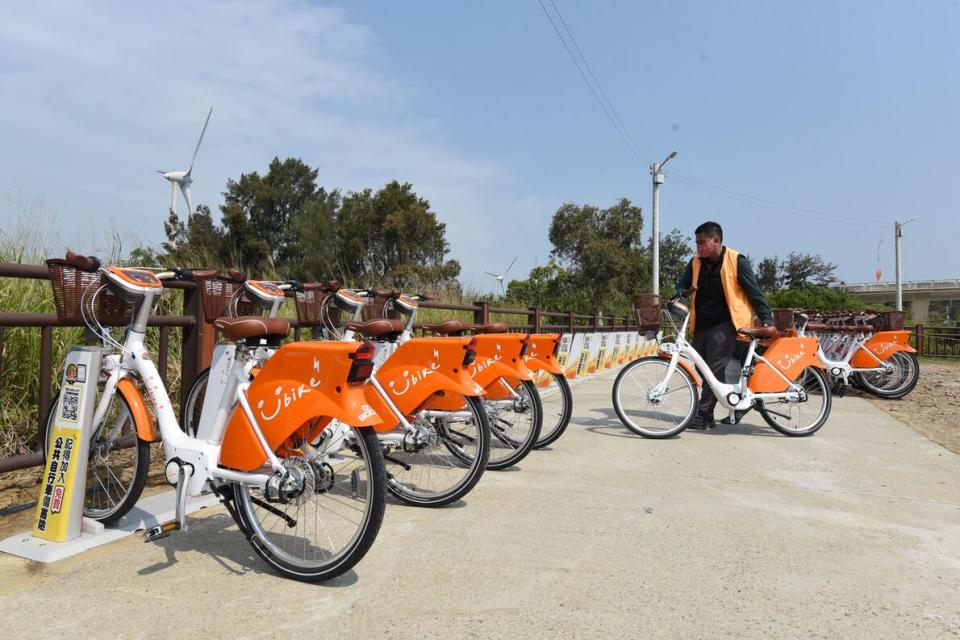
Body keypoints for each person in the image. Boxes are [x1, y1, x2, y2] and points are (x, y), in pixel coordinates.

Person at [675, 221, 773, 429]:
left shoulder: (737, 260)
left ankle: (704, 414)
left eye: (702, 242)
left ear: (716, 240)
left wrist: (767, 319)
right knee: (701, 368)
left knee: (715, 367)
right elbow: (682, 285)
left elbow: (754, 292)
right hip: (701, 324)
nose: (698, 247)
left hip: (726, 324)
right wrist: (683, 292)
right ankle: (722, 404)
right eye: (697, 243)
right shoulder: (695, 262)